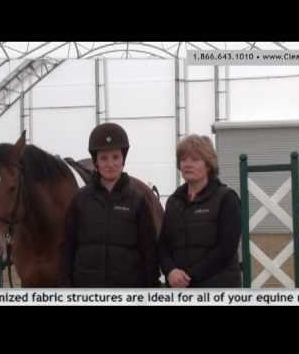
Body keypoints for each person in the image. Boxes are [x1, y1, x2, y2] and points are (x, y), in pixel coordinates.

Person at [58, 123, 159, 287]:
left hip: (128, 292)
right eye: (103, 158)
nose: (110, 164)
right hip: (87, 293)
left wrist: (150, 289)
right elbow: (67, 247)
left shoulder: (138, 201)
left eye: (115, 157)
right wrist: (65, 287)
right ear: (95, 161)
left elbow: (149, 250)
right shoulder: (80, 200)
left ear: (123, 159)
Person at [158, 134, 242, 288]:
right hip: (179, 291)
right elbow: (163, 244)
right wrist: (170, 271)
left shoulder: (226, 198)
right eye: (183, 160)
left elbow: (226, 249)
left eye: (195, 159)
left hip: (217, 289)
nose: (187, 164)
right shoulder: (173, 202)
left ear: (208, 164)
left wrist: (189, 277)